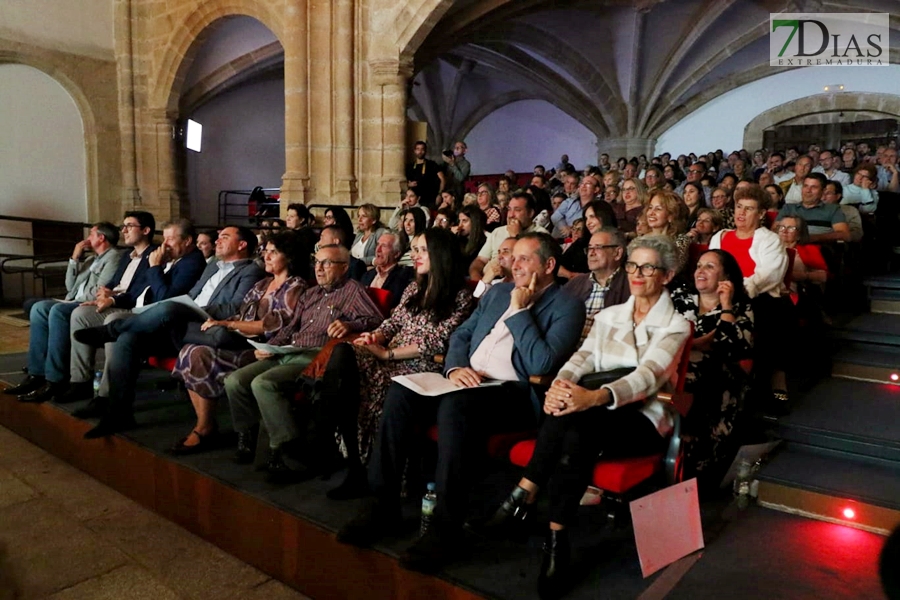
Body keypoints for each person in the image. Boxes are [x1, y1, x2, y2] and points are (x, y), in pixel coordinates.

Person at [337, 232, 585, 574]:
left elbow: (542, 364)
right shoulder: (497, 291)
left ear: (550, 265)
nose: (515, 264)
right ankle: (383, 506)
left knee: (456, 409)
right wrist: (455, 367)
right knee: (400, 393)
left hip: (512, 393)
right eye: (514, 257)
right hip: (465, 380)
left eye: (525, 258)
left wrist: (519, 311)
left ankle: (445, 527)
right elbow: (461, 335)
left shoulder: (567, 304)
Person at [479, 235, 690, 599]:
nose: (637, 274)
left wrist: (592, 397)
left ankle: (525, 493)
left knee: (579, 419)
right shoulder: (610, 316)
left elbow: (647, 378)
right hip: (591, 414)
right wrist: (562, 386)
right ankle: (557, 539)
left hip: (642, 418)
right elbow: (582, 360)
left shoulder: (677, 325)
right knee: (578, 428)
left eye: (648, 267)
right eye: (632, 266)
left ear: (667, 275)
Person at [318, 229, 475, 499]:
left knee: (355, 379)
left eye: (422, 250)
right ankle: (354, 465)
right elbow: (393, 323)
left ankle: (332, 444)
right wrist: (374, 336)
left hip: (419, 364)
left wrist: (387, 355)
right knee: (344, 354)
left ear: (440, 254)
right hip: (387, 354)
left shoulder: (459, 296)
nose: (415, 256)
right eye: (414, 250)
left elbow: (437, 342)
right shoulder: (414, 288)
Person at [72, 226, 265, 438]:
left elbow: (234, 308)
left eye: (224, 237)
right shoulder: (213, 267)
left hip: (212, 326)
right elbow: (191, 294)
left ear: (242, 244)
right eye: (217, 237)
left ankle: (111, 330)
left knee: (168, 307)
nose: (217, 241)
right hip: (184, 326)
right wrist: (184, 305)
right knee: (128, 339)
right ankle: (118, 414)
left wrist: (190, 309)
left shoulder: (251, 270)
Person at [224, 244, 384, 480]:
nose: (319, 269)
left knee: (263, 384)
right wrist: (270, 347)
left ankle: (289, 451)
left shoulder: (352, 290)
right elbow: (291, 328)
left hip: (315, 357)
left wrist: (351, 325)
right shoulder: (310, 293)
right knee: (234, 380)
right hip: (286, 351)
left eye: (327, 263)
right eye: (317, 262)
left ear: (344, 267)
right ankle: (246, 436)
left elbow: (377, 320)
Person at [169, 231, 310, 454]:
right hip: (244, 342)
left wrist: (227, 325)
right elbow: (241, 315)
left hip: (267, 350)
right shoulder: (263, 284)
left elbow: (271, 325)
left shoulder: (295, 286)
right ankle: (205, 424)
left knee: (199, 354)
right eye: (266, 251)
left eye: (274, 252)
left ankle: (207, 428)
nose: (267, 256)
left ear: (290, 257)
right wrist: (222, 322)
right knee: (190, 349)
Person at [7, 223, 123, 403]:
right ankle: (36, 373)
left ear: (101, 238)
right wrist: (74, 258)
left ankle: (56, 379)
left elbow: (100, 290)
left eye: (92, 234)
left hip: (87, 303)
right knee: (38, 308)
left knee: (58, 310)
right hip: (73, 299)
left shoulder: (114, 257)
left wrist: (74, 298)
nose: (88, 238)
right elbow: (70, 286)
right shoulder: (92, 259)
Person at [671, 249, 754, 483]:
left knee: (703, 375)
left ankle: (693, 466)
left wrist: (726, 306)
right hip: (676, 368)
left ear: (726, 276)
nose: (700, 270)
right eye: (699, 265)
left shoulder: (741, 306)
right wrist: (697, 343)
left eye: (709, 266)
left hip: (720, 378)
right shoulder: (681, 298)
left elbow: (734, 348)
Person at [709, 185, 790, 411]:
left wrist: (736, 292)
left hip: (758, 298)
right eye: (738, 207)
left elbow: (768, 275)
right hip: (719, 295)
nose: (741, 213)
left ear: (762, 213)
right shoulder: (720, 236)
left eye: (749, 209)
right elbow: (710, 267)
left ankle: (768, 382)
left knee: (769, 315)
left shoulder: (770, 240)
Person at [563, 227, 630, 343]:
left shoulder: (632, 286)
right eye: (589, 248)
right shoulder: (574, 284)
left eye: (598, 247)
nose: (591, 253)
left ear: (617, 253)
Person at [469, 192, 549, 280]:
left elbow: (528, 266)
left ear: (530, 213)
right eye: (509, 209)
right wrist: (477, 279)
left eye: (517, 210)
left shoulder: (541, 234)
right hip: (486, 281)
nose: (511, 215)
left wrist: (516, 236)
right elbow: (480, 261)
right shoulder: (498, 231)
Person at [557, 200, 617, 278]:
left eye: (592, 217)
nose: (588, 222)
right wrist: (570, 275)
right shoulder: (581, 242)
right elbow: (559, 266)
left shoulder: (615, 241)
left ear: (604, 216)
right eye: (586, 218)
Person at [360, 231, 415, 311]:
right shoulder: (367, 275)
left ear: (396, 254)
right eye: (378, 244)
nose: (378, 250)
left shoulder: (405, 277)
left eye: (384, 246)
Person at [643, 189, 691, 273]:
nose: (651, 213)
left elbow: (673, 271)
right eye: (650, 208)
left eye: (658, 209)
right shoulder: (642, 239)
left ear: (671, 216)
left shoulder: (681, 241)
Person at [406, 140, 445, 207]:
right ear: (414, 151)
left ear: (425, 151)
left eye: (422, 149)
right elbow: (405, 182)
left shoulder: (432, 164)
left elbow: (443, 179)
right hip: (415, 200)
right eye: (418, 149)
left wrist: (440, 194)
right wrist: (409, 184)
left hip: (430, 199)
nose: (420, 151)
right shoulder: (410, 166)